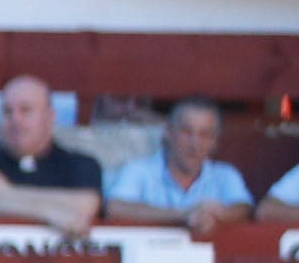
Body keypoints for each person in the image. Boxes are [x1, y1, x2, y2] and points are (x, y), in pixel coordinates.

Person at [0, 72, 102, 235]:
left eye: (25, 111)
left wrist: (5, 193)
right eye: (7, 111)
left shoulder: (79, 163)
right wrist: (51, 213)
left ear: (49, 117)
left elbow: (85, 205)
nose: (15, 120)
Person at [101, 97, 255, 237]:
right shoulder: (139, 170)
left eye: (204, 134)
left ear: (214, 141)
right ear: (168, 132)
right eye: (187, 132)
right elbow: (115, 208)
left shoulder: (225, 175)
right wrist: (183, 215)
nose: (195, 143)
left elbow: (243, 208)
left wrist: (218, 214)